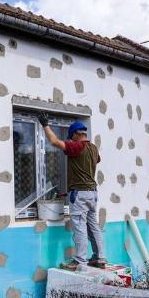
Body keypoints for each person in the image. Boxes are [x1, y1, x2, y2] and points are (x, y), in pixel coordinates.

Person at [38, 113, 106, 270]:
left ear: (76, 135)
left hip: (80, 194)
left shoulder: (77, 146)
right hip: (92, 193)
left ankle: (80, 261)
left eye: (71, 137)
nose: (70, 141)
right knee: (93, 225)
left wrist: (45, 124)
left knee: (80, 226)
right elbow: (94, 161)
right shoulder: (93, 148)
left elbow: (54, 141)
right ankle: (99, 258)